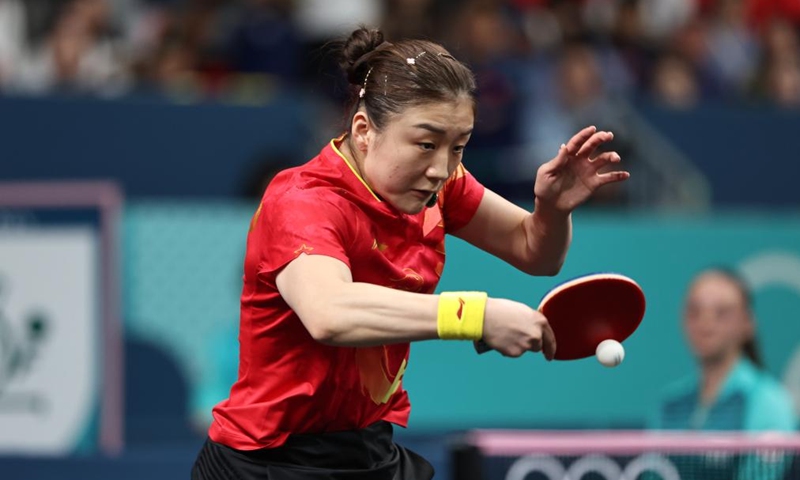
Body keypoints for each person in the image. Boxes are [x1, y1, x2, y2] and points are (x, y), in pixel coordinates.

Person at [192, 26, 628, 480]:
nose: (441, 168)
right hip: (269, 462)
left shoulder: (442, 186)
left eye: (458, 147)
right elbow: (329, 312)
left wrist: (552, 210)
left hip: (367, 448)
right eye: (426, 144)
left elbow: (534, 251)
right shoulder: (303, 201)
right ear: (364, 131)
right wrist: (475, 315)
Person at [651, 268, 798, 479]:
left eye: (722, 312)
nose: (706, 322)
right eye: (694, 311)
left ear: (748, 323)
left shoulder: (768, 402)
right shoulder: (670, 402)